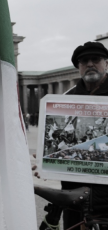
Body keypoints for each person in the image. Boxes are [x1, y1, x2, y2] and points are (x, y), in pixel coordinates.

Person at [39, 41, 108, 229]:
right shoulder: (64, 99)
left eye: (96, 59)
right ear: (79, 67)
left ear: (106, 63)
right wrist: (46, 163)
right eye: (84, 61)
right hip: (73, 193)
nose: (90, 64)